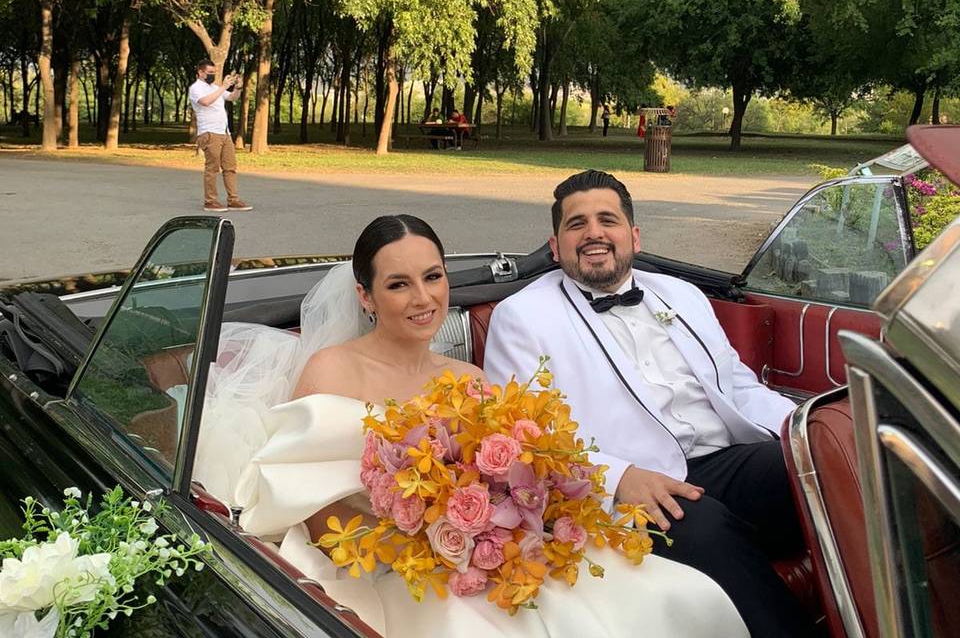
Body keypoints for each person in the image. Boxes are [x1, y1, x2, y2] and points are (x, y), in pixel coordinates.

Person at [231, 214, 749, 638]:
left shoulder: (471, 380)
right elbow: (314, 513)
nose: (423, 298)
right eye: (397, 285)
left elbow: (518, 485)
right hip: (384, 567)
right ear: (365, 296)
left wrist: (499, 538)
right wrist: (435, 549)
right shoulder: (332, 370)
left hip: (488, 558)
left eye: (433, 277)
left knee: (657, 595)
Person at [483, 170, 816, 637]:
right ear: (555, 247)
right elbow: (527, 437)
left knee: (813, 470)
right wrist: (619, 478)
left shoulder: (683, 294)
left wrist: (808, 428)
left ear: (633, 236)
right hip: (632, 481)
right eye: (576, 224)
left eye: (607, 220)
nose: (594, 232)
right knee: (700, 525)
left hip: (721, 457)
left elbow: (737, 385)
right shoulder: (521, 317)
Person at [188, 59, 252, 213]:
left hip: (224, 132)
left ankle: (233, 199)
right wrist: (223, 86)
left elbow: (231, 98)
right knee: (212, 168)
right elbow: (205, 102)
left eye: (214, 73)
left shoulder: (215, 87)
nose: (212, 75)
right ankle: (210, 201)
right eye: (210, 73)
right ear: (200, 72)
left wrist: (238, 87)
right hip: (209, 133)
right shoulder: (196, 88)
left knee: (230, 167)